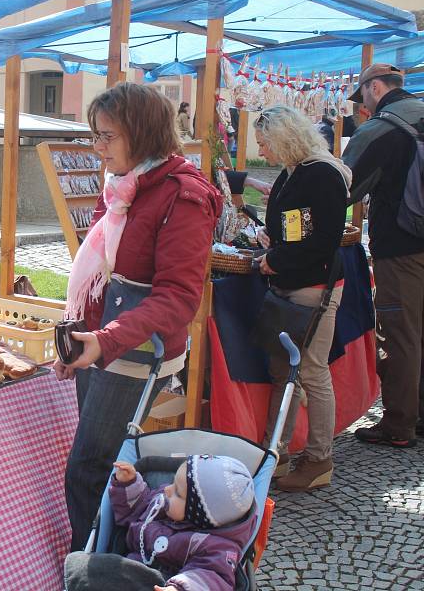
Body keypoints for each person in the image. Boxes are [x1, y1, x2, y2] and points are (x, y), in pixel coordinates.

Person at [54, 82, 222, 549]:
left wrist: (105, 340)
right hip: (106, 342)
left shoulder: (182, 195)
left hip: (134, 351)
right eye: (95, 135)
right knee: (97, 461)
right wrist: (79, 338)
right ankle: (102, 553)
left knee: (92, 466)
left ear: (142, 133)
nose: (98, 147)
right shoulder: (126, 186)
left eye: (107, 136)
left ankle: (92, 566)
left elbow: (179, 298)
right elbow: (104, 275)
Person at [253, 105, 350, 492]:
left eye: (266, 144)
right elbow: (297, 228)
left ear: (284, 138)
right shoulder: (296, 171)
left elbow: (322, 241)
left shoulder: (321, 174)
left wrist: (274, 260)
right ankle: (275, 452)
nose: (264, 152)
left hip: (314, 285)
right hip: (292, 281)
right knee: (284, 371)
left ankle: (319, 459)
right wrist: (271, 241)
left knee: (310, 370)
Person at [342, 63, 424, 447]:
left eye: (365, 98)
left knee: (401, 334)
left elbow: (343, 186)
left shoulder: (383, 128)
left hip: (402, 247)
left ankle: (398, 424)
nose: (365, 107)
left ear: (375, 88)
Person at [64, 455, 256, 591]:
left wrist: (180, 587)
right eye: (173, 483)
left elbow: (210, 576)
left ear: (199, 516)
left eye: (179, 493)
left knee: (85, 569)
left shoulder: (215, 547)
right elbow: (136, 508)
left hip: (164, 582)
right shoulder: (162, 504)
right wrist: (129, 484)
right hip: (130, 572)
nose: (168, 490)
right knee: (83, 565)